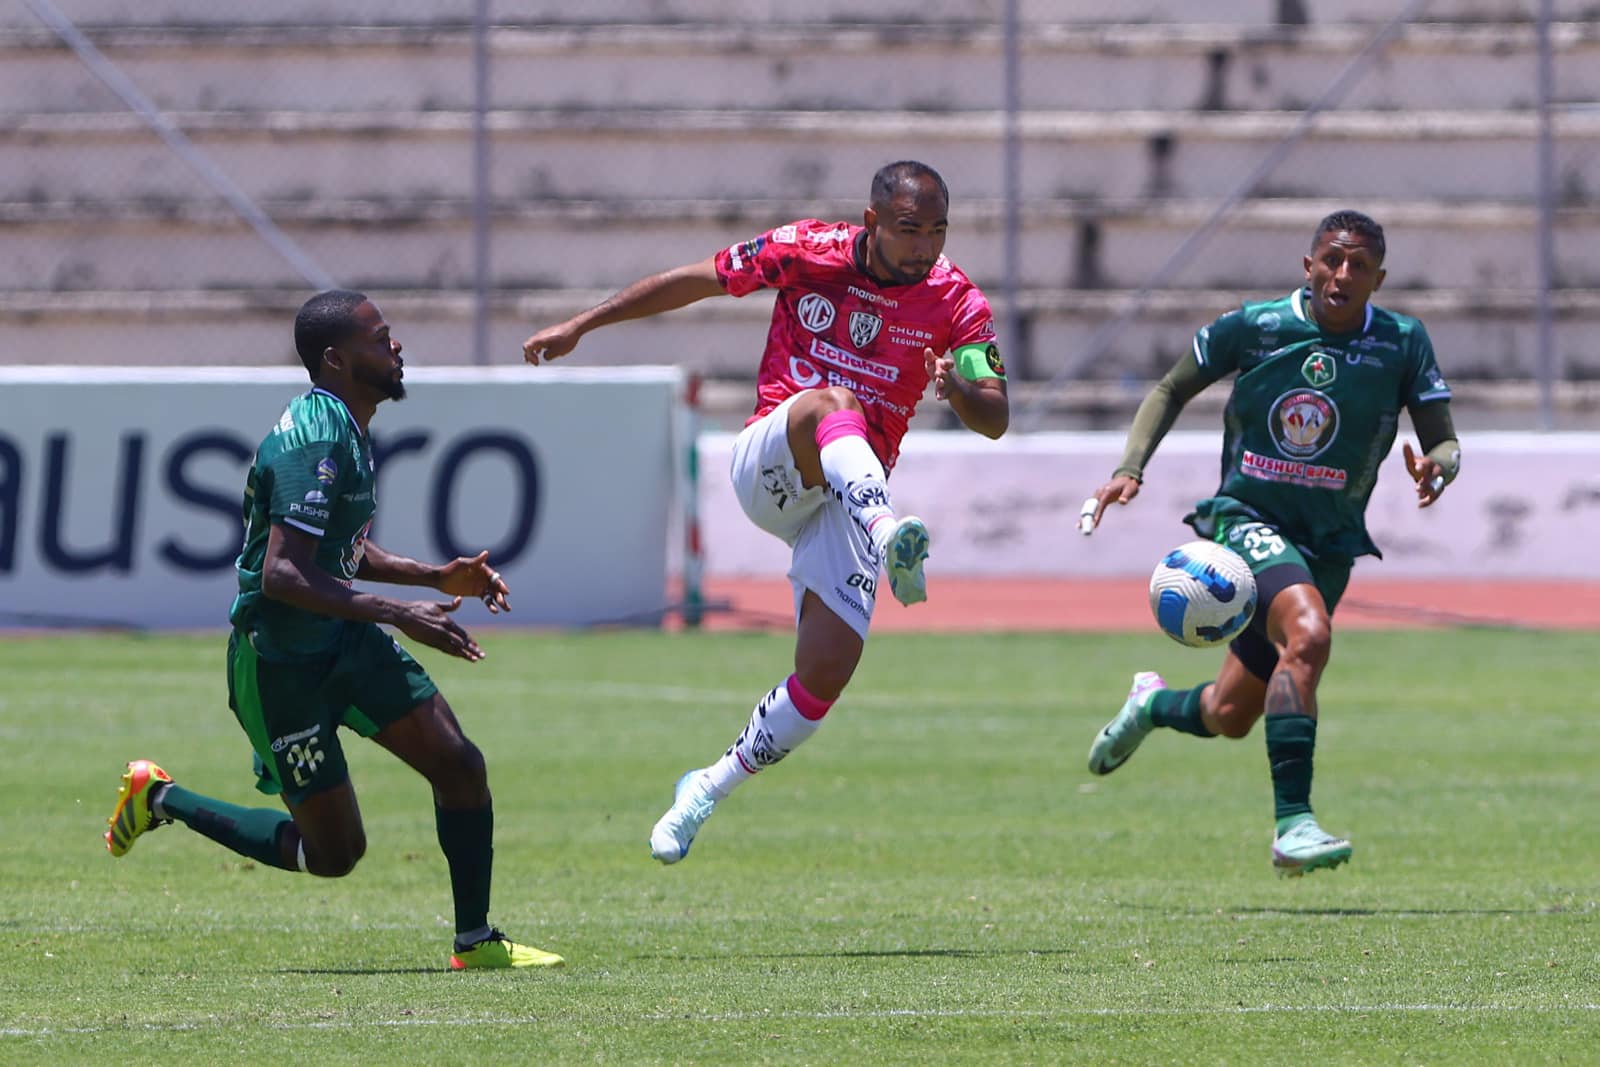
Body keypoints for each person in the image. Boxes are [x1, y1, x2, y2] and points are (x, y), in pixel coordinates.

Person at [521, 160, 1009, 864]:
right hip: (775, 458)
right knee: (834, 404)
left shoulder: (957, 301)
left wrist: (957, 392)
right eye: (909, 229)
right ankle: (888, 531)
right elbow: (698, 278)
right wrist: (582, 324)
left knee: (825, 673)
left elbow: (994, 415)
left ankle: (705, 788)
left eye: (937, 231)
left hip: (843, 491)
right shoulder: (808, 249)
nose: (924, 246)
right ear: (872, 222)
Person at [105, 290, 563, 969]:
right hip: (280, 663)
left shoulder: (348, 424)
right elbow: (282, 574)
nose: (396, 346)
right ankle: (160, 797)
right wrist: (402, 612)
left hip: (340, 640)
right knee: (335, 855)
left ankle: (475, 941)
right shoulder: (314, 436)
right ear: (336, 358)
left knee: (459, 765)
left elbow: (339, 549)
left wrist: (435, 577)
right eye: (381, 338)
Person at [1080, 210, 1461, 877]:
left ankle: (1151, 705)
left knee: (1229, 713)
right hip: (1246, 519)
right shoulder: (1254, 326)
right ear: (1308, 264)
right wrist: (1129, 467)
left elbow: (1443, 438)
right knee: (1309, 634)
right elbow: (1172, 387)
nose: (1343, 275)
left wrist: (1440, 466)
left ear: (1379, 277)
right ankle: (1294, 825)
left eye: (1359, 266)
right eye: (1332, 260)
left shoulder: (1402, 342)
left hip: (1330, 543)